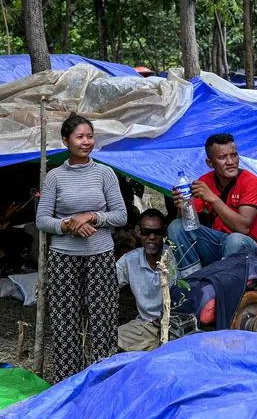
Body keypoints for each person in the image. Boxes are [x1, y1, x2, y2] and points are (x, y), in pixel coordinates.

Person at [36, 113, 128, 381]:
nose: (86, 142)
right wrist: (68, 225)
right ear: (66, 140)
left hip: (100, 254)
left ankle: (103, 378)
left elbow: (121, 216)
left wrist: (91, 217)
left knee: (104, 318)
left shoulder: (105, 174)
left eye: (89, 136)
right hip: (63, 257)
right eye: (80, 137)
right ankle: (67, 379)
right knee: (65, 320)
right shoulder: (54, 177)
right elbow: (42, 219)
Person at [167, 133, 257, 277]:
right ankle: (192, 283)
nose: (230, 161)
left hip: (252, 249)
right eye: (222, 157)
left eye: (234, 155)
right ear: (210, 163)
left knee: (235, 239)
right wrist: (183, 205)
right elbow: (185, 225)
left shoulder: (251, 182)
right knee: (176, 226)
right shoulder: (204, 181)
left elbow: (243, 228)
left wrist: (213, 199)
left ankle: (225, 287)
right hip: (219, 245)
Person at [116, 209, 174, 352]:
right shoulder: (130, 260)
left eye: (157, 232)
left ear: (165, 233)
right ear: (138, 232)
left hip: (175, 325)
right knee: (110, 339)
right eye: (146, 232)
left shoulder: (176, 256)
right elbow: (106, 286)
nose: (152, 237)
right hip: (146, 326)